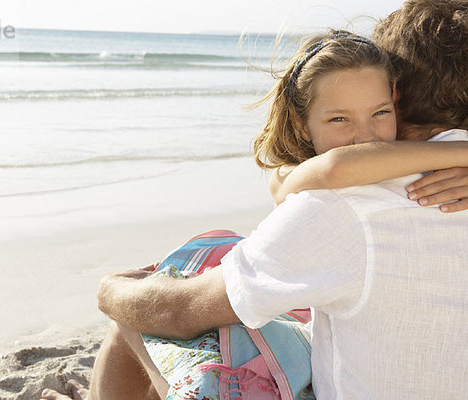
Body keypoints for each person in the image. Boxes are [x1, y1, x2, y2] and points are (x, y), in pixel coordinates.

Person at [41, 1, 468, 399]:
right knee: (227, 256)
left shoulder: (349, 204)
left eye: (379, 109)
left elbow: (181, 313)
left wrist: (110, 291)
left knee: (138, 313)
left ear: (399, 93)